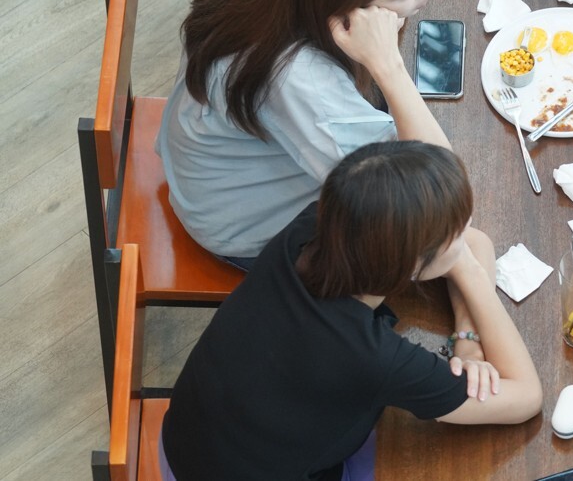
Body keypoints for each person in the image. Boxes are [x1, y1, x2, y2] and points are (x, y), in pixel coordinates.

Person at [160, 141, 543, 481]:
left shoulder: (311, 230)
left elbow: (478, 243)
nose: (465, 234)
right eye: (452, 235)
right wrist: (473, 278)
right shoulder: (371, 357)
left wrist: (469, 343)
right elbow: (526, 397)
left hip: (183, 441)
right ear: (408, 265)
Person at [157, 0, 450, 268]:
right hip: (237, 221)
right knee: (426, 254)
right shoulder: (300, 80)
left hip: (230, 147)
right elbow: (436, 199)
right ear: (348, 13)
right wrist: (389, 67)